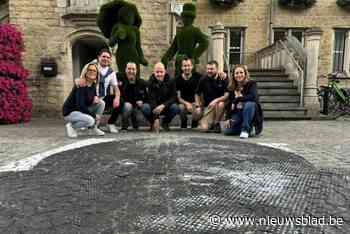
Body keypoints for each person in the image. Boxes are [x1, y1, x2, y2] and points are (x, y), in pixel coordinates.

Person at [77, 48, 121, 133]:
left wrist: (117, 98)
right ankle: (85, 122)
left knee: (120, 101)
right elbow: (82, 81)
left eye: (108, 57)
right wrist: (91, 96)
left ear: (110, 59)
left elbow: (116, 89)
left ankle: (109, 123)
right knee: (91, 103)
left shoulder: (111, 72)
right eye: (103, 56)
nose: (106, 59)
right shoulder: (91, 67)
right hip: (90, 96)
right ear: (98, 57)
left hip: (102, 97)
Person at [63, 62, 105, 138]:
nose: (92, 72)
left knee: (101, 103)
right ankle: (71, 126)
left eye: (94, 71)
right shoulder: (81, 84)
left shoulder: (93, 85)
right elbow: (80, 105)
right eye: (89, 70)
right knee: (90, 120)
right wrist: (94, 116)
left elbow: (89, 99)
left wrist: (95, 98)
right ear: (86, 72)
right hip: (70, 112)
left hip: (80, 111)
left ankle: (94, 128)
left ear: (97, 74)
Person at [222, 64, 263, 139]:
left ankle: (245, 130)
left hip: (249, 112)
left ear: (245, 74)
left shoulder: (251, 84)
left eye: (241, 72)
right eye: (236, 73)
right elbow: (229, 103)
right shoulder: (231, 87)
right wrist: (227, 118)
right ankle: (246, 126)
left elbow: (253, 97)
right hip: (238, 113)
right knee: (227, 131)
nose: (239, 75)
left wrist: (237, 99)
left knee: (249, 104)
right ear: (233, 75)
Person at [194, 60, 229, 133]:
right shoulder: (203, 79)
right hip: (209, 107)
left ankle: (216, 123)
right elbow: (197, 93)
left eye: (212, 69)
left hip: (220, 107)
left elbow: (227, 95)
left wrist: (215, 100)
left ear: (217, 69)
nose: (209, 71)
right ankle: (207, 121)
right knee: (203, 129)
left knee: (221, 104)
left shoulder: (223, 78)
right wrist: (198, 106)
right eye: (208, 69)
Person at [117, 62, 151, 131]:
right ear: (125, 69)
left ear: (136, 70)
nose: (131, 71)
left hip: (136, 106)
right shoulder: (120, 78)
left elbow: (149, 96)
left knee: (144, 107)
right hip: (123, 105)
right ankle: (124, 126)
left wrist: (142, 101)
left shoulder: (141, 82)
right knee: (128, 106)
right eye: (129, 69)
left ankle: (147, 124)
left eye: (133, 69)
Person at [148, 62, 180, 132]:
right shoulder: (150, 82)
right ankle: (153, 123)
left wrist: (163, 105)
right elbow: (151, 99)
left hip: (166, 107)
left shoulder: (171, 81)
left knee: (176, 107)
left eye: (161, 72)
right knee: (145, 107)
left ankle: (165, 123)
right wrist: (156, 118)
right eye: (157, 72)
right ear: (154, 72)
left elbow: (174, 97)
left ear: (165, 71)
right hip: (154, 107)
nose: (159, 74)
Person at [175, 57, 202, 129]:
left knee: (198, 110)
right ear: (181, 67)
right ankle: (184, 123)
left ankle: (194, 123)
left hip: (195, 102)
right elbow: (178, 97)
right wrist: (187, 104)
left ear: (192, 66)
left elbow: (201, 92)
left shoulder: (199, 77)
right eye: (184, 66)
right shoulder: (177, 79)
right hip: (183, 103)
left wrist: (197, 104)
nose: (187, 68)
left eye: (188, 65)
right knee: (181, 107)